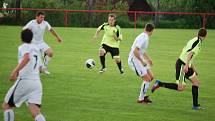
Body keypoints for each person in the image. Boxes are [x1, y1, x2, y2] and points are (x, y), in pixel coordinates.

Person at [151, 28, 207, 110]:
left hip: (186, 64)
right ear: (205, 36)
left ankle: (195, 105)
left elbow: (189, 55)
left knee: (196, 83)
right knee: (181, 88)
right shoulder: (197, 42)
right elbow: (190, 54)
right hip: (182, 65)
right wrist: (187, 65)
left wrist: (193, 68)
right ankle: (159, 84)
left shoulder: (195, 39)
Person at [2, 29, 46, 121]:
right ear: (32, 38)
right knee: (36, 112)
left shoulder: (23, 46)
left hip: (25, 81)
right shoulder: (36, 49)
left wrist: (15, 71)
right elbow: (40, 68)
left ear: (21, 38)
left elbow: (27, 58)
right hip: (37, 83)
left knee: (6, 105)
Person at [128, 23, 155, 104]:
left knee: (151, 76)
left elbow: (142, 50)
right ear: (152, 31)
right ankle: (141, 99)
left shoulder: (144, 36)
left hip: (139, 59)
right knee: (147, 79)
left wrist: (148, 59)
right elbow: (135, 51)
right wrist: (142, 61)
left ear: (145, 28)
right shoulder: (144, 38)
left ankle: (143, 96)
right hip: (134, 60)